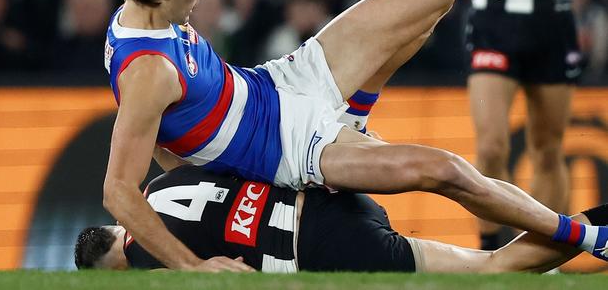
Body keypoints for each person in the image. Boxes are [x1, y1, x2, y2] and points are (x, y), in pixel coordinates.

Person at [102, 0, 608, 272]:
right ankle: (588, 236)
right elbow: (119, 192)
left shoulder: (141, 14)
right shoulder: (148, 72)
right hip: (292, 146)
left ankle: (354, 115)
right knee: (446, 172)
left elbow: (167, 143)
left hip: (282, 81)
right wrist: (192, 266)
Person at [77, 165, 608, 273]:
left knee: (494, 271)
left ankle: (596, 232)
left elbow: (231, 279)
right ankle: (593, 223)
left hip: (325, 250)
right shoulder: (162, 185)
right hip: (333, 197)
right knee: (455, 180)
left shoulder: (150, 259)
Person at [466, 0, 586, 250]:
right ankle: (490, 249)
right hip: (494, 19)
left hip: (553, 21)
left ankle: (541, 255)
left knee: (548, 149)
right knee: (490, 147)